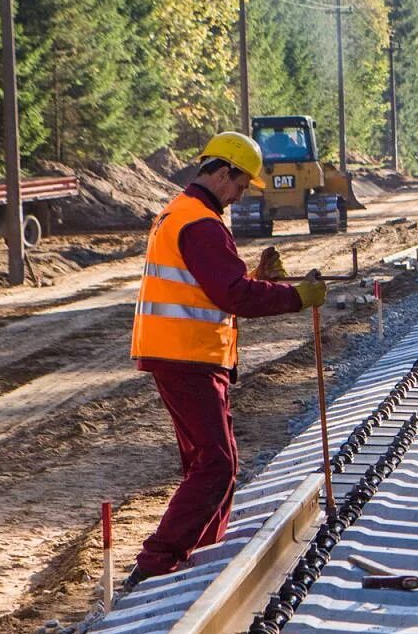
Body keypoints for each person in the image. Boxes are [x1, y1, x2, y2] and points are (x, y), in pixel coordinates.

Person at [128, 131, 326, 585]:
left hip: (180, 352)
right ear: (222, 173)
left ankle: (201, 549)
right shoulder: (200, 223)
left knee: (211, 458)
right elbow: (231, 294)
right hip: (186, 354)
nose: (240, 195)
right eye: (240, 185)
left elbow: (207, 286)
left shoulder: (181, 214)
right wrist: (295, 297)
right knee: (216, 462)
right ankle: (157, 563)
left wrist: (260, 278)